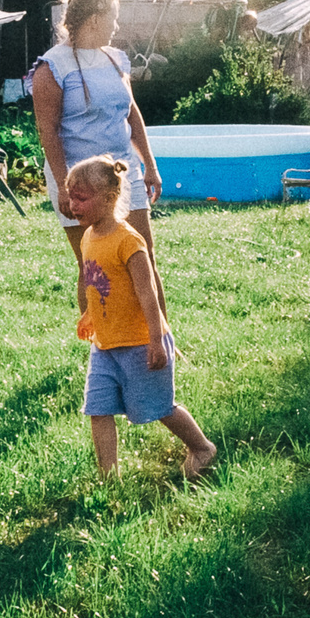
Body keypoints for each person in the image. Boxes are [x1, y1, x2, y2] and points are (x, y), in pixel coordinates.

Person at [59, 153, 216, 484]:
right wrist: (90, 315)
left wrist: (156, 341)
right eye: (71, 196)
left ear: (109, 198)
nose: (73, 205)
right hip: (105, 345)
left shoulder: (128, 241)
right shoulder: (88, 237)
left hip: (140, 342)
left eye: (81, 198)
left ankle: (202, 448)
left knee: (160, 407)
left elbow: (147, 294)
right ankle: (109, 479)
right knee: (98, 409)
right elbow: (98, 283)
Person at [31, 0, 167, 314]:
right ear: (94, 19)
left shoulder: (115, 58)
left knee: (143, 255)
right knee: (93, 263)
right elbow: (48, 133)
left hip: (122, 174)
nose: (116, 26)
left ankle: (160, 336)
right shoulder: (52, 67)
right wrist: (65, 186)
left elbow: (132, 113)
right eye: (113, 18)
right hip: (77, 179)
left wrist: (149, 165)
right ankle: (101, 339)